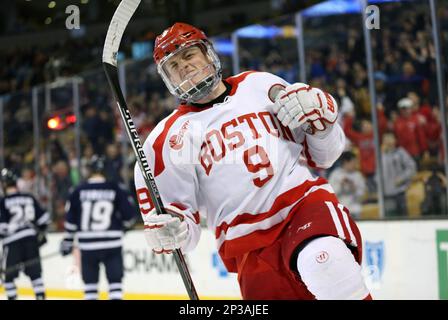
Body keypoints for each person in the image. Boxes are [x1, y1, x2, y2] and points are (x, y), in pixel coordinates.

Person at [134, 23, 371, 300]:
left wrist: (323, 127)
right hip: (246, 245)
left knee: (324, 261)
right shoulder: (171, 138)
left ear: (209, 54)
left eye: (188, 55)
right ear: (167, 77)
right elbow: (184, 228)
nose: (184, 67)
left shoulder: (259, 86)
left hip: (302, 208)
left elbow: (325, 155)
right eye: (173, 64)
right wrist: (171, 230)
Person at [60, 155, 138, 300]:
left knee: (90, 288)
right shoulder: (115, 188)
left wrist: (68, 242)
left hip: (88, 247)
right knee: (115, 285)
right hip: (112, 244)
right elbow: (130, 216)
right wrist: (124, 226)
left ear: (89, 171)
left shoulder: (77, 191)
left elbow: (70, 222)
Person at [0, 168, 50, 300]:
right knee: (36, 276)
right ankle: (40, 297)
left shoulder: (2, 202)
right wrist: (39, 233)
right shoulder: (29, 197)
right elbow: (44, 220)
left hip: (12, 243)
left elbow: (2, 228)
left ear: (3, 184)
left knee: (7, 277)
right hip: (30, 242)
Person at [381, 132, 417, 217]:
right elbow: (378, 173)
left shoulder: (400, 152)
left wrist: (401, 178)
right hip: (386, 193)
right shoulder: (381, 155)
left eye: (390, 138)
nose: (388, 141)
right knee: (389, 218)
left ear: (395, 140)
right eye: (386, 139)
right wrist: (383, 154)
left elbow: (412, 167)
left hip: (400, 191)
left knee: (404, 217)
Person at [328, 151, 366, 218]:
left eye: (356, 162)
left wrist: (354, 188)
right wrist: (340, 185)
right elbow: (329, 193)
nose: (355, 165)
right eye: (353, 162)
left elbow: (363, 194)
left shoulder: (358, 175)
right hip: (338, 208)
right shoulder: (335, 174)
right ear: (346, 162)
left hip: (354, 209)